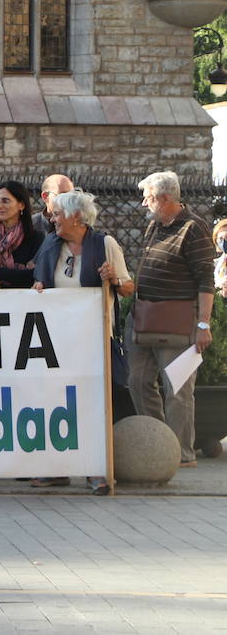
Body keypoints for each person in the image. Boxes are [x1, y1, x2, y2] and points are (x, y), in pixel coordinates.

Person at [30, 189, 133, 494]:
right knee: (57, 404)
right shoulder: (50, 245)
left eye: (58, 214)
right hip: (57, 342)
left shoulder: (104, 244)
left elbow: (128, 288)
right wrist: (38, 285)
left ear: (76, 216)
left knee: (92, 405)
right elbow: (41, 282)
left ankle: (95, 470)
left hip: (94, 341)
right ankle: (59, 469)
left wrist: (114, 278)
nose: (52, 218)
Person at [129, 170, 214, 468]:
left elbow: (206, 280)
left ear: (165, 198)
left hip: (178, 323)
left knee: (177, 389)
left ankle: (180, 454)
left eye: (148, 198)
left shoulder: (194, 228)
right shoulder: (155, 226)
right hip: (145, 318)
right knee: (137, 380)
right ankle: (158, 445)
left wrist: (203, 324)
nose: (143, 204)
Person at [0, 180, 44, 288]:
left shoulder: (35, 238)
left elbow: (35, 275)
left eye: (5, 201)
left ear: (21, 205)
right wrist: (21, 273)